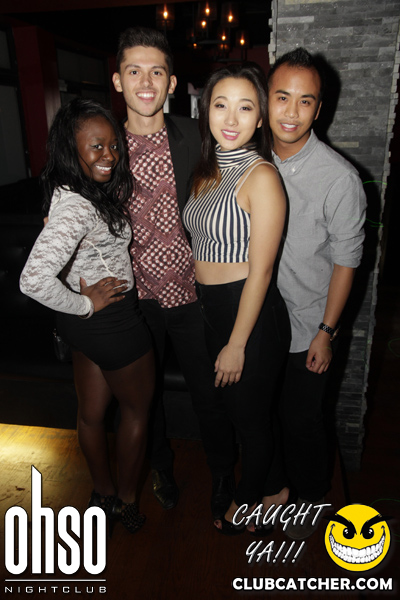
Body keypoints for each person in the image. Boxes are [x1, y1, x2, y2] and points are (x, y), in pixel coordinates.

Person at [112, 26, 235, 515]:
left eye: (156, 72)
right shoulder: (102, 144)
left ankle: (223, 473)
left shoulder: (196, 135)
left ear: (172, 82)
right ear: (118, 80)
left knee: (209, 392)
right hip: (133, 298)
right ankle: (160, 466)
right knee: (145, 398)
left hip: (192, 293)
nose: (146, 82)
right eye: (134, 71)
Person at [20, 98, 155, 535]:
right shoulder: (77, 205)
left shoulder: (71, 193)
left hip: (83, 328)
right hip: (111, 323)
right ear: (70, 149)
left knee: (91, 414)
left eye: (113, 145)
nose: (109, 155)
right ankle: (127, 501)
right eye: (96, 146)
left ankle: (103, 493)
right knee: (137, 412)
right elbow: (32, 280)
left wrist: (81, 307)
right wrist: (86, 303)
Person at [262, 48, 367, 539]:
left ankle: (311, 498)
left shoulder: (339, 178)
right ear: (266, 98)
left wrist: (327, 331)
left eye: (305, 101)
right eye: (282, 97)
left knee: (302, 419)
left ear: (319, 109)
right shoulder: (246, 159)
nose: (291, 111)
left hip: (307, 324)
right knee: (263, 412)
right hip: (256, 321)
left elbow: (348, 261)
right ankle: (276, 487)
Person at [182, 63, 291, 535]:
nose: (230, 118)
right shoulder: (206, 171)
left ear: (260, 117)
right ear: (205, 110)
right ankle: (274, 487)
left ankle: (246, 504)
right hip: (212, 309)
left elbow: (261, 271)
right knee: (243, 411)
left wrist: (237, 343)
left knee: (249, 421)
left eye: (245, 108)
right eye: (220, 105)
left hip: (249, 315)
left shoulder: (261, 176)